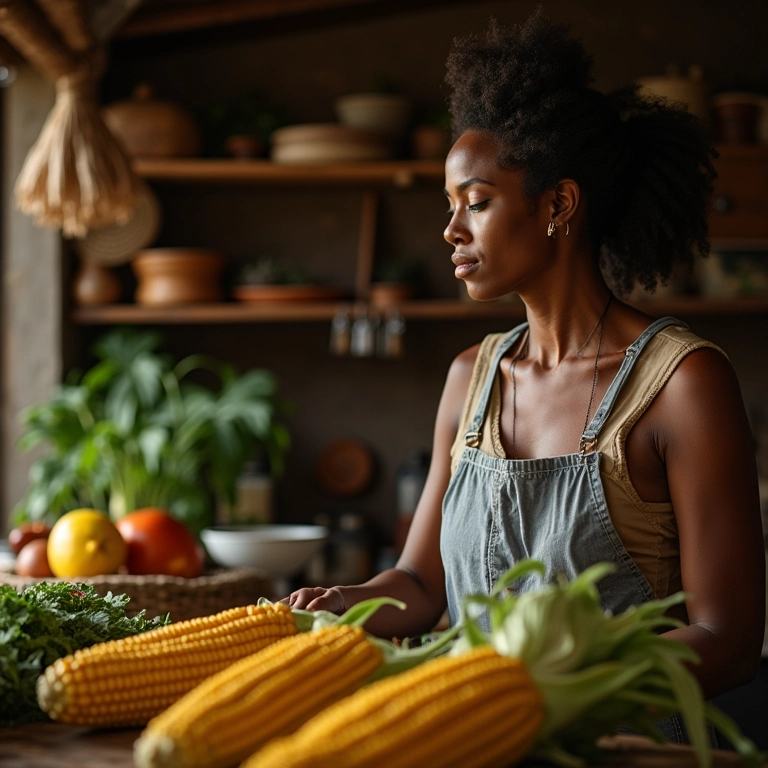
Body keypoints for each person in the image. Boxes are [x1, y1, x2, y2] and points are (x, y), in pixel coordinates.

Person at [285, 9, 765, 728]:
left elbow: (727, 641)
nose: (451, 230)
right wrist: (339, 604)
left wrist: (550, 698)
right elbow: (421, 583)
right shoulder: (469, 378)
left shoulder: (683, 385)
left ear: (557, 206)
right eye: (450, 205)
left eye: (475, 203)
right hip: (475, 739)